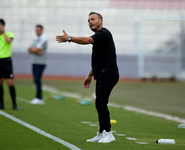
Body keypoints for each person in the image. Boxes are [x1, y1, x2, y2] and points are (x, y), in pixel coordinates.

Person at [56, 12, 119, 143]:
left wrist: (70, 38)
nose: (90, 22)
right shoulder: (99, 37)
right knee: (99, 103)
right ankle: (102, 133)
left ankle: (108, 133)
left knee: (101, 103)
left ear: (101, 21)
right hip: (102, 73)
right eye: (89, 20)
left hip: (109, 73)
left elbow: (87, 40)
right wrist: (90, 75)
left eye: (93, 19)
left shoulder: (103, 33)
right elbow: (100, 60)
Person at [0, 19, 19, 110]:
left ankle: (14, 104)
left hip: (6, 62)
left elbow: (9, 41)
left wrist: (3, 32)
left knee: (10, 82)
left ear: (3, 26)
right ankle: (1, 104)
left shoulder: (9, 34)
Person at [28, 25, 47, 105]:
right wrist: (34, 50)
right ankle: (38, 97)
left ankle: (39, 98)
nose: (37, 32)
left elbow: (35, 49)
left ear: (42, 30)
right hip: (34, 62)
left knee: (37, 80)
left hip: (40, 63)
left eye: (38, 30)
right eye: (36, 30)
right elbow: (29, 50)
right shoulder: (35, 40)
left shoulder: (43, 39)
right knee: (35, 80)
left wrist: (34, 50)